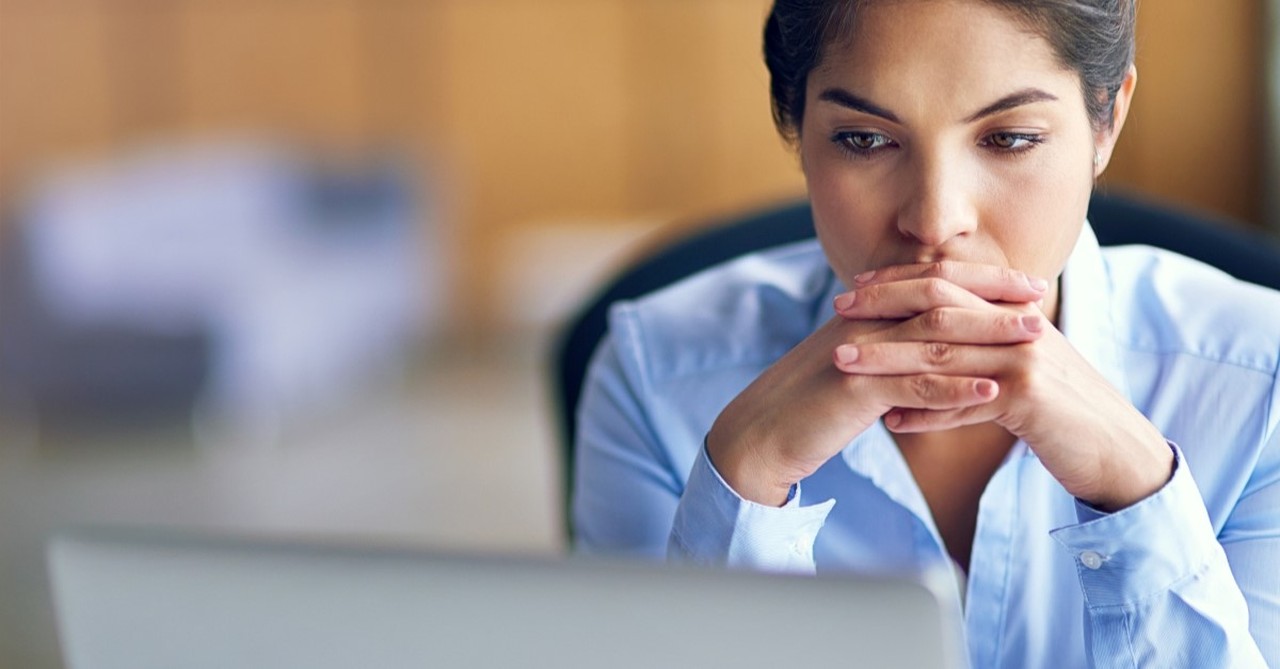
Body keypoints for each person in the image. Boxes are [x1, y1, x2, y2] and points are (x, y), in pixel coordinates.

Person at [573, 0, 1280, 666]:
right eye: (865, 139)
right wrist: (743, 482)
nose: (936, 221)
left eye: (1010, 139)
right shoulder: (654, 372)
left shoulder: (1260, 384)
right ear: (795, 128)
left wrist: (1137, 491)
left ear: (1107, 119)